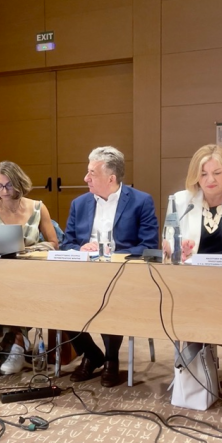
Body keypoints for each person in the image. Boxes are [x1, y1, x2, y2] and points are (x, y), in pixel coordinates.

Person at [62, 146, 159, 387]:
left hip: (122, 275)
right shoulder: (79, 204)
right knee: (58, 301)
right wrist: (80, 249)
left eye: (92, 173)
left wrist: (110, 254)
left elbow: (149, 246)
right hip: (82, 275)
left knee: (110, 294)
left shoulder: (141, 201)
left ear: (111, 178)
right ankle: (92, 353)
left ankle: (111, 358)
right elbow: (66, 244)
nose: (86, 178)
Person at [0, 160, 59, 374]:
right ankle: (17, 344)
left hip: (33, 272)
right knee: (6, 288)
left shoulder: (38, 207)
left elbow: (53, 243)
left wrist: (23, 248)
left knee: (18, 288)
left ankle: (16, 345)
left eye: (8, 185)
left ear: (19, 183)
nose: (4, 191)